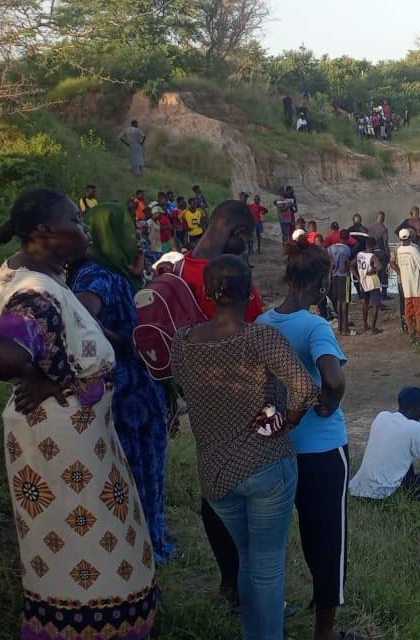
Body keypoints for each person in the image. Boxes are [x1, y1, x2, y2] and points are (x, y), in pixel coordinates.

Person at [0, 189, 160, 638]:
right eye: (75, 221)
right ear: (45, 233)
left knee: (57, 553)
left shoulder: (20, 270)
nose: (83, 229)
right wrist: (53, 379)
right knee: (96, 555)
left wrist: (48, 362)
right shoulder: (37, 292)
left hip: (56, 442)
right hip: (67, 452)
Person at [171, 255, 317, 640]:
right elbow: (305, 389)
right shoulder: (261, 337)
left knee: (249, 561)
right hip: (267, 465)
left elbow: (185, 391)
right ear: (250, 291)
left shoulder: (182, 342)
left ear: (205, 291)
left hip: (216, 477)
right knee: (266, 568)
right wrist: (287, 421)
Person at [257, 243, 354, 640]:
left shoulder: (262, 322)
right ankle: (325, 630)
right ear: (320, 281)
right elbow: (333, 379)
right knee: (327, 540)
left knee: (274, 539)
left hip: (278, 448)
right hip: (323, 450)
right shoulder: (314, 326)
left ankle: (269, 618)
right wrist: (327, 403)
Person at [70, 203, 176, 562]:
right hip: (122, 387)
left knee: (149, 462)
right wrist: (121, 342)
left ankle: (150, 534)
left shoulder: (116, 269)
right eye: (125, 229)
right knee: (132, 464)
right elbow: (80, 320)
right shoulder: (94, 275)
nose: (134, 235)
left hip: (140, 384)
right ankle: (137, 544)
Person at [173, 201, 264, 605]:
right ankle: (248, 586)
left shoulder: (174, 274)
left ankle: (229, 580)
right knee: (252, 502)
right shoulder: (238, 280)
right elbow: (258, 337)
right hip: (244, 402)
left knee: (213, 491)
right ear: (238, 235)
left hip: (201, 404)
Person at [348, 388, 420, 506]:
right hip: (386, 497)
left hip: (359, 492)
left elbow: (397, 442)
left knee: (406, 466)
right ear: (417, 408)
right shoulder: (416, 428)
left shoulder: (382, 417)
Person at [390, 228, 420, 340]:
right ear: (410, 237)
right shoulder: (413, 249)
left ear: (400, 238)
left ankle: (411, 331)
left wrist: (401, 273)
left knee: (408, 310)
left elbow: (392, 262)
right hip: (415, 284)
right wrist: (419, 277)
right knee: (419, 310)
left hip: (405, 284)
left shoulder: (399, 249)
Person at [352, 236, 385, 335]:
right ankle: (373, 328)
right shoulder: (372, 256)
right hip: (373, 281)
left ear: (366, 245)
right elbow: (379, 266)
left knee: (365, 302)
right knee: (375, 304)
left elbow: (351, 266)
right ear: (374, 246)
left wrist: (358, 278)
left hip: (363, 281)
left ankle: (365, 324)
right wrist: (373, 270)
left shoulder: (359, 254)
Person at [326, 233, 354, 336]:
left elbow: (329, 258)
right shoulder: (346, 249)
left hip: (335, 277)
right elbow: (347, 263)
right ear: (346, 239)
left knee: (338, 301)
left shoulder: (331, 248)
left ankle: (339, 327)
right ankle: (345, 329)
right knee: (345, 303)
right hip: (344, 277)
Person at [365, 211, 391, 297]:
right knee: (383, 273)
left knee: (373, 272)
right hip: (381, 253)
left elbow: (368, 242)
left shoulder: (370, 228)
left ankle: (374, 292)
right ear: (383, 219)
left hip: (371, 253)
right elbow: (386, 244)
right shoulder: (384, 229)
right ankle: (384, 294)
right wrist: (388, 256)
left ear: (377, 217)